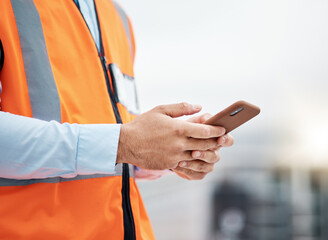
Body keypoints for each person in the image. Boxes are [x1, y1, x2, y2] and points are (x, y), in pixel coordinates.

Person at [0, 0, 234, 239]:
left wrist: (172, 151)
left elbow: (111, 141)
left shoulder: (116, 17)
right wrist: (122, 143)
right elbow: (114, 143)